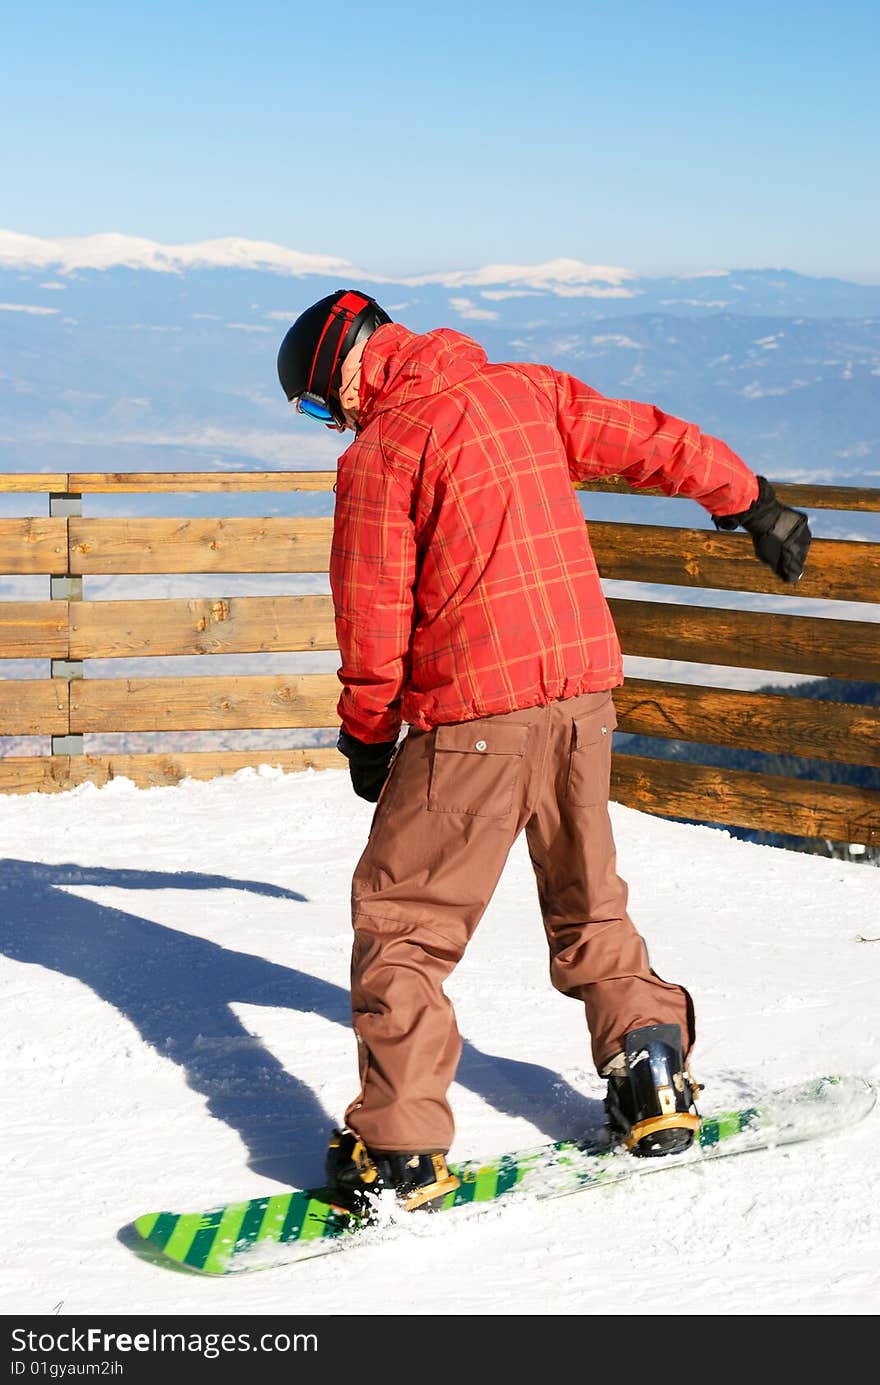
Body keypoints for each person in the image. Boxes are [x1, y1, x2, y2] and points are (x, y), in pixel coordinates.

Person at [277, 289, 811, 1213]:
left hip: (474, 716)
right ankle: (650, 1073)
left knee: (404, 920)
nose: (335, 423)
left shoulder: (381, 455)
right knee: (586, 894)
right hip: (581, 699)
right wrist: (749, 498)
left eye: (322, 406)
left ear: (353, 362)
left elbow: (371, 624)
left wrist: (368, 736)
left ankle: (400, 1147)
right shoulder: (521, 390)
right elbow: (648, 437)